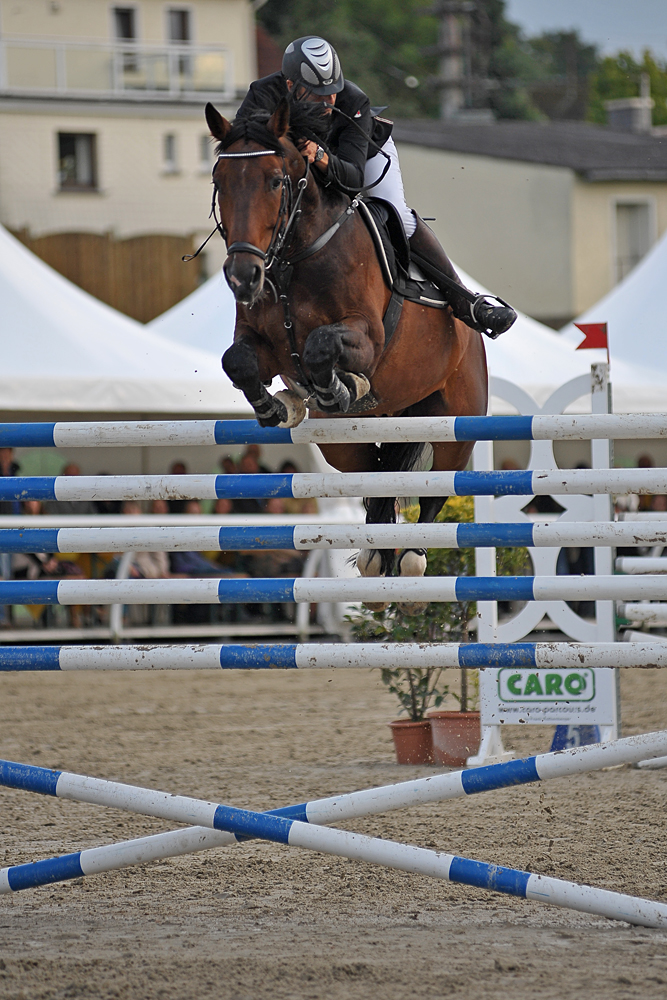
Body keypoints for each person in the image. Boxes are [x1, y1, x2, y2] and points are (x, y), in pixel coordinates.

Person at [236, 35, 516, 340]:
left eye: (333, 90)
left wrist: (322, 158)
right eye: (318, 94)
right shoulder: (262, 95)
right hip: (296, 171)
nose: (329, 101)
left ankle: (465, 300)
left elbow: (354, 179)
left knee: (398, 213)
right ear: (290, 86)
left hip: (362, 156)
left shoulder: (353, 102)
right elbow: (243, 155)